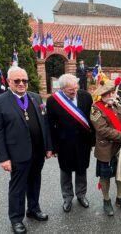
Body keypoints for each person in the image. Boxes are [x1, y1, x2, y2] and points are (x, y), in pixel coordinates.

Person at [0, 66, 53, 234]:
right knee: (17, 188)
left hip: (38, 152)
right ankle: (16, 219)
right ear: (9, 81)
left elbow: (44, 124)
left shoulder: (36, 98)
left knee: (35, 182)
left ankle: (33, 209)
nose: (21, 84)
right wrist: (3, 158)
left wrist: (48, 147)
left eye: (24, 80)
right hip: (17, 154)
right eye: (17, 81)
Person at [46, 74, 95, 213]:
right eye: (70, 90)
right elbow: (50, 126)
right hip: (64, 143)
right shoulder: (52, 101)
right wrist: (52, 147)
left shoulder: (86, 96)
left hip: (83, 142)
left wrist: (93, 141)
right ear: (62, 89)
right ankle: (67, 197)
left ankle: (81, 195)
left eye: (76, 88)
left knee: (82, 169)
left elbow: (91, 121)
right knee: (65, 170)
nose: (74, 92)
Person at [90, 80, 121, 216]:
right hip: (106, 148)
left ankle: (120, 198)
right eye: (107, 93)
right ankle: (106, 200)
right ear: (102, 95)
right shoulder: (95, 109)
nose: (110, 95)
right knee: (105, 177)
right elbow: (103, 130)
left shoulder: (118, 104)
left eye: (112, 92)